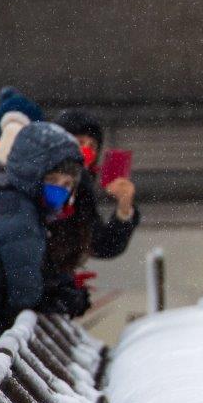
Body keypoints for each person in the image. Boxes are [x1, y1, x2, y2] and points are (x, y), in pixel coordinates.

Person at [0, 122, 87, 352]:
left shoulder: (11, 201)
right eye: (53, 180)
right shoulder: (17, 211)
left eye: (67, 184)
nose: (60, 190)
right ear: (33, 175)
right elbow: (24, 289)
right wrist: (52, 296)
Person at [48, 110, 140, 292]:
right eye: (79, 142)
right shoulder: (45, 182)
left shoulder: (83, 193)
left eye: (92, 146)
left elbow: (101, 244)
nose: (86, 151)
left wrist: (124, 208)